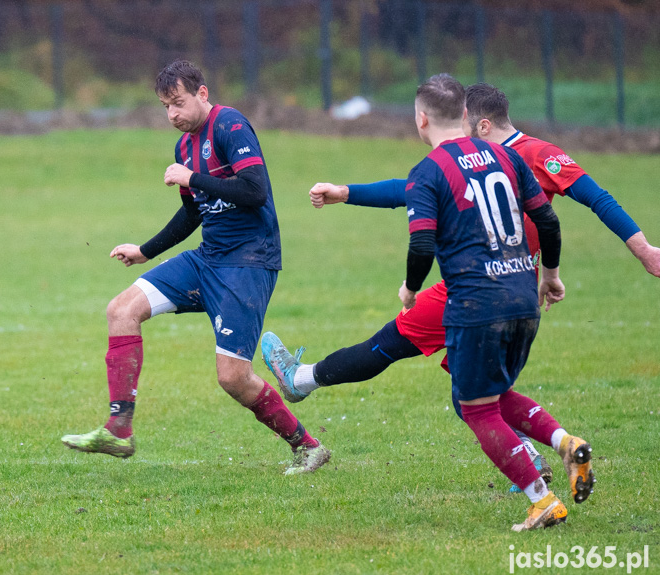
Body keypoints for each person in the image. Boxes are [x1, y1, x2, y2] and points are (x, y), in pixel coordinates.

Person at [263, 81, 657, 489]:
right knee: (472, 394)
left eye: (465, 119)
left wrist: (643, 249)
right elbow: (414, 189)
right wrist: (348, 192)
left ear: (479, 123)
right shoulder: (487, 157)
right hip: (516, 290)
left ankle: (301, 379)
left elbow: (598, 198)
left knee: (398, 348)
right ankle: (536, 456)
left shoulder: (532, 155)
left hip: (472, 292)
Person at [61, 59, 330, 475]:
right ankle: (119, 428)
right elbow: (193, 214)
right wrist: (145, 250)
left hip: (249, 263)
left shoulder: (230, 125)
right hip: (207, 259)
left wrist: (192, 178)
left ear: (202, 94)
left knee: (233, 379)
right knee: (121, 310)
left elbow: (256, 191)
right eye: (166, 106)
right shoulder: (184, 146)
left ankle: (307, 446)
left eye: (179, 103)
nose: (173, 114)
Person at [402, 73, 584, 531]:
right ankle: (564, 442)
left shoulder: (427, 171)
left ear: (421, 119)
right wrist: (551, 276)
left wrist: (409, 289)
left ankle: (541, 500)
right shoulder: (505, 156)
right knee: (495, 396)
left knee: (475, 407)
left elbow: (422, 245)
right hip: (524, 297)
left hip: (476, 304)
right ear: (465, 115)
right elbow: (548, 219)